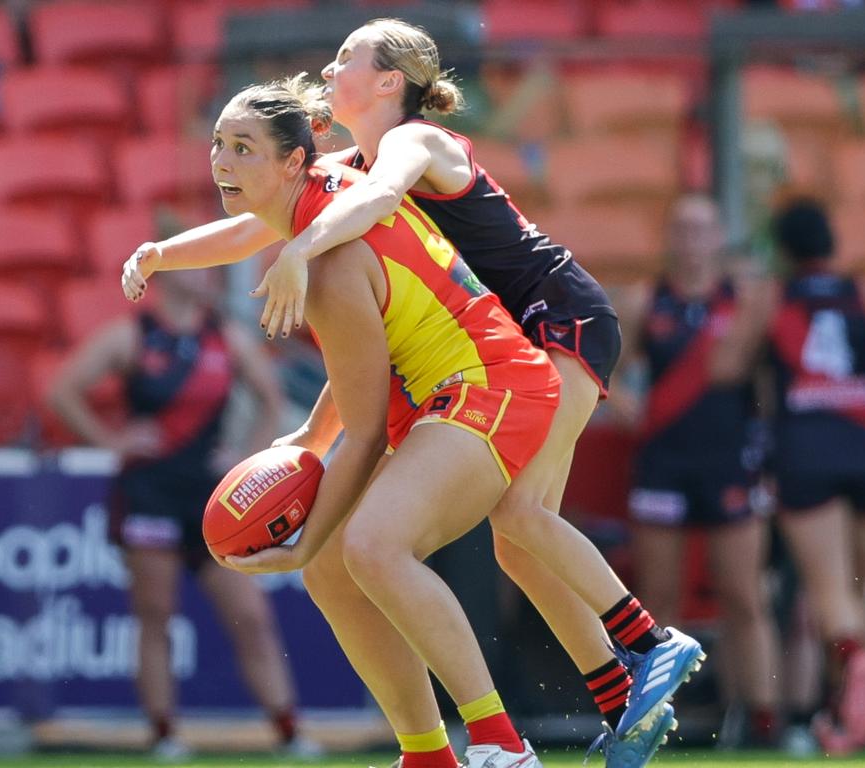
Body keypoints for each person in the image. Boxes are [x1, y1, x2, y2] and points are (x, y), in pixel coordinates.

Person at [122, 20, 703, 766]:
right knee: (434, 549)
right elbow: (261, 240)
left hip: (550, 319)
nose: (331, 70)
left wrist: (300, 253)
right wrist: (164, 253)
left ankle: (616, 663)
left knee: (484, 522)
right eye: (219, 147)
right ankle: (479, 737)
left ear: (392, 81)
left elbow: (362, 220)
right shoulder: (335, 182)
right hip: (467, 364)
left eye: (347, 59)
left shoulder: (407, 149)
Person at [47, 267, 320, 760]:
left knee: (250, 616)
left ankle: (288, 731)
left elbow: (270, 398)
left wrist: (246, 458)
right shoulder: (131, 336)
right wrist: (110, 442)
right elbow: (62, 389)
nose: (212, 276)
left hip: (211, 498)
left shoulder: (226, 338)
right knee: (156, 614)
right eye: (198, 267)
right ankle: (164, 734)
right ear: (169, 276)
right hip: (149, 492)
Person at [611, 194, 781, 747]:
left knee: (743, 594)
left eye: (701, 229)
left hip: (729, 461)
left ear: (717, 238)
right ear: (669, 238)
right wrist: (637, 416)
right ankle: (655, 721)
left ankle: (763, 719)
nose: (690, 239)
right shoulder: (645, 300)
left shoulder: (744, 302)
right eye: (680, 228)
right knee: (658, 597)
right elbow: (605, 372)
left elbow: (764, 385)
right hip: (663, 462)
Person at [765, 198, 865, 755]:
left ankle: (859, 665)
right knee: (860, 582)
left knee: (828, 590)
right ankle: (846, 719)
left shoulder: (773, 298)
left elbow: (725, 364)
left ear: (785, 250)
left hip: (809, 450)